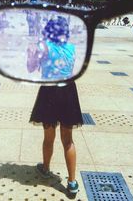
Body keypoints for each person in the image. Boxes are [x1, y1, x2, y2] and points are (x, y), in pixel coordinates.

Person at [27, 17, 83, 195]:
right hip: (68, 92)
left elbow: (30, 68)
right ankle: (72, 182)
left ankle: (45, 168)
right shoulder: (72, 48)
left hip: (49, 93)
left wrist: (32, 54)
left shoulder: (43, 46)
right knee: (68, 140)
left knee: (49, 138)